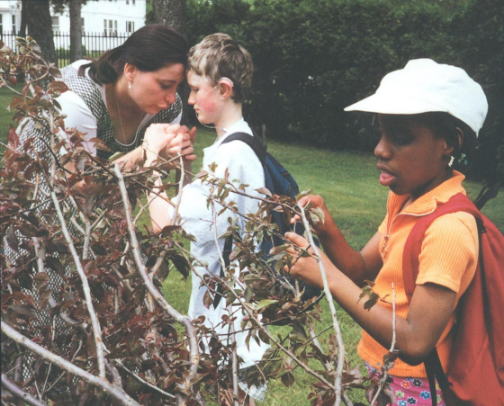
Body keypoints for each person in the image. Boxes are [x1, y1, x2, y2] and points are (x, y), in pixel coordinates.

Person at [285, 59, 488, 405]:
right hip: (383, 369)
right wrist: (327, 227)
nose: (380, 149)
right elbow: (362, 269)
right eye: (380, 134)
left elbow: (414, 342)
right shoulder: (405, 200)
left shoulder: (449, 228)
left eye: (401, 138)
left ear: (449, 144)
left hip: (419, 387)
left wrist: (326, 276)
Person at [144, 33, 270, 404]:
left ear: (225, 89)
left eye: (198, 89)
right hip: (235, 320)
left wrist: (152, 159)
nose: (191, 99)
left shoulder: (231, 158)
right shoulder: (239, 145)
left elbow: (163, 223)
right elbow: (205, 221)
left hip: (229, 329)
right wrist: (182, 168)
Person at [53, 23, 195, 168]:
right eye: (165, 85)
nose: (172, 98)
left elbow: (148, 181)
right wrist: (147, 152)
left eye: (178, 86)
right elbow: (76, 184)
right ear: (131, 70)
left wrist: (173, 158)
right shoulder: (79, 98)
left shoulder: (169, 109)